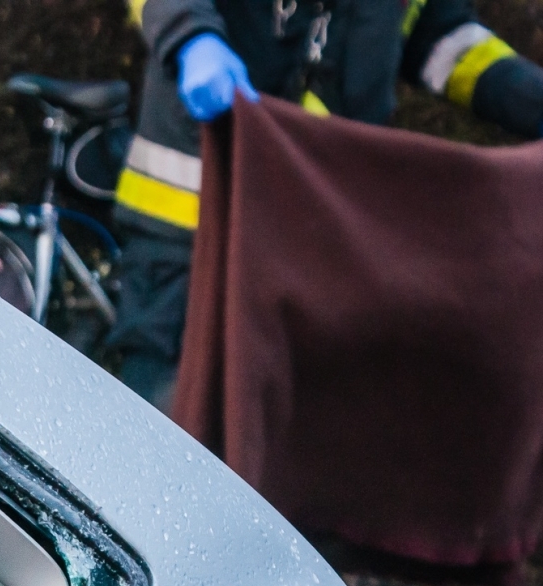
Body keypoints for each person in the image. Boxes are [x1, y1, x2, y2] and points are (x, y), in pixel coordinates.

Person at [111, 0, 543, 409]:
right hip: (192, 232)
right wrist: (190, 37)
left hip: (319, 250)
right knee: (164, 435)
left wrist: (529, 95)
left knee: (289, 453)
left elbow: (444, 41)